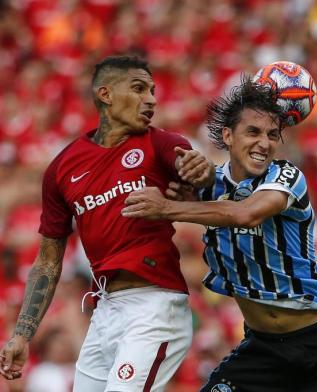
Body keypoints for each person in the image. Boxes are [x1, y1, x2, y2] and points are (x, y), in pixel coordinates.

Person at [121, 77, 317, 392]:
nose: (264, 143)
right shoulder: (210, 184)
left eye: (272, 135)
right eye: (253, 132)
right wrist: (180, 186)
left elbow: (246, 213)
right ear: (227, 136)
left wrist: (166, 207)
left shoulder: (287, 176)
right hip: (263, 349)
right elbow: (180, 177)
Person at [0, 54, 215, 392]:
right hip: (105, 312)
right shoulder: (62, 168)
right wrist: (22, 334)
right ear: (105, 94)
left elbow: (200, 176)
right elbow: (48, 260)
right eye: (139, 88)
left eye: (153, 91)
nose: (152, 99)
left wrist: (204, 173)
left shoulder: (161, 143)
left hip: (155, 306)